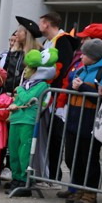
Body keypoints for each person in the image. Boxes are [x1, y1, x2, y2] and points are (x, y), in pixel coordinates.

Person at [60, 37, 102, 203]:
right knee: (72, 157)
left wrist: (83, 88)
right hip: (74, 119)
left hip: (90, 121)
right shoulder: (80, 69)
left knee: (89, 159)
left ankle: (90, 193)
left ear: (94, 56)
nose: (81, 56)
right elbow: (70, 88)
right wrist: (74, 86)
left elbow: (99, 99)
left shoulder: (101, 72)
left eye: (85, 54)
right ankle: (77, 188)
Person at [38, 12, 79, 185]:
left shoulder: (62, 41)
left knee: (55, 136)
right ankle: (46, 171)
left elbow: (62, 68)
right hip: (46, 93)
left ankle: (54, 175)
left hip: (56, 95)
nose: (39, 26)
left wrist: (54, 90)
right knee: (47, 135)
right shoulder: (47, 42)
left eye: (41, 23)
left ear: (47, 24)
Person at [6, 48, 53, 195]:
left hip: (28, 121)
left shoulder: (42, 85)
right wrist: (12, 105)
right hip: (16, 119)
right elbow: (20, 100)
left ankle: (24, 181)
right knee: (13, 151)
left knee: (24, 152)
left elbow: (28, 99)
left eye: (28, 68)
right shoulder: (25, 84)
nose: (25, 70)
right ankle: (16, 178)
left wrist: (19, 90)